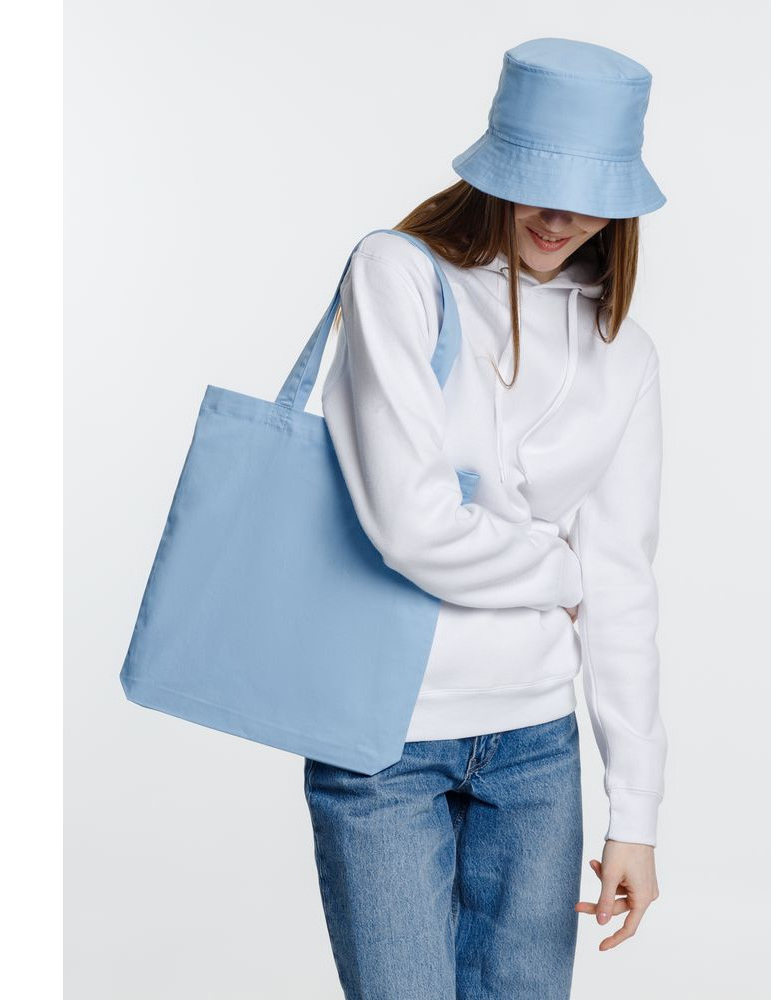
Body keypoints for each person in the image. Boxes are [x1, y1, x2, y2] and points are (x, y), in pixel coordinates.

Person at [304, 37, 669, 999]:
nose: (560, 216)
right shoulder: (397, 273)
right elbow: (412, 526)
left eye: (588, 193)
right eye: (538, 182)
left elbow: (626, 583)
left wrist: (636, 811)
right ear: (494, 166)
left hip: (538, 743)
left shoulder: (624, 353)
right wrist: (562, 570)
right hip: (385, 735)